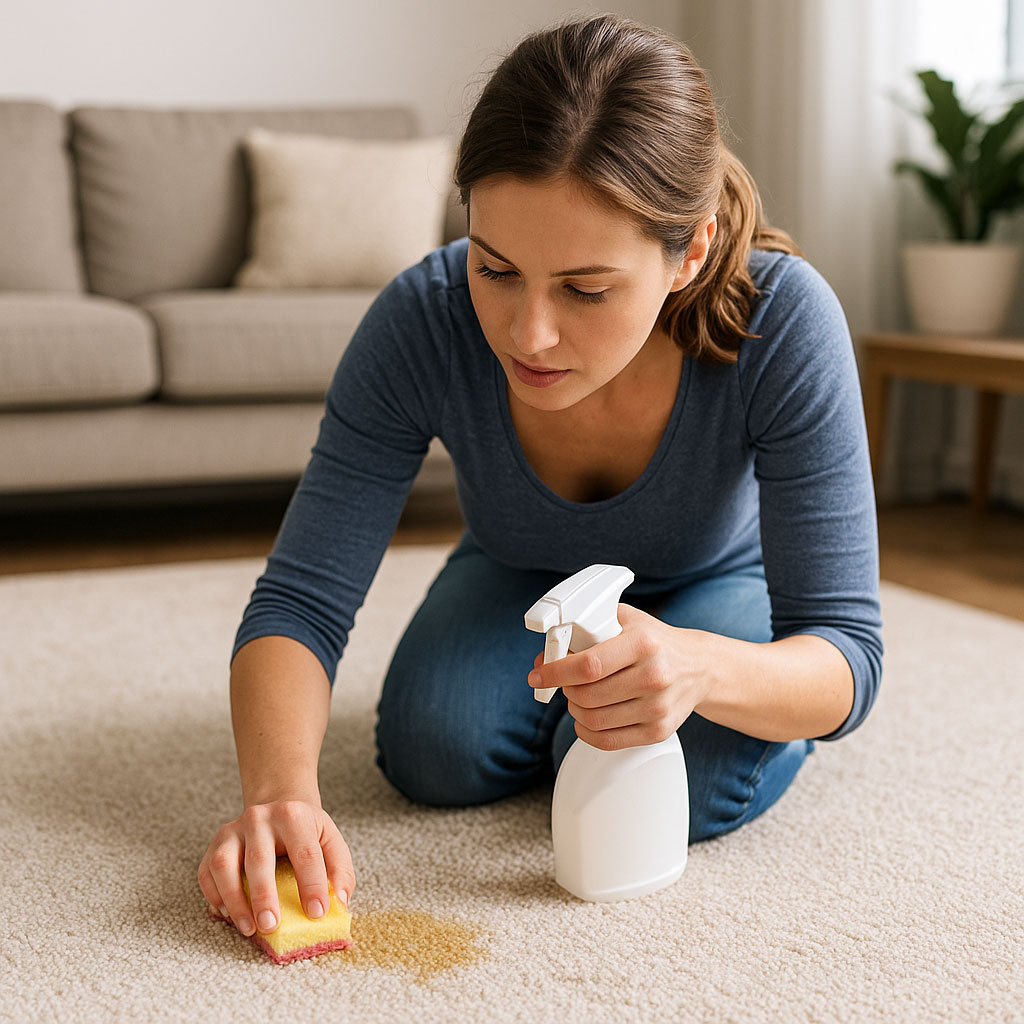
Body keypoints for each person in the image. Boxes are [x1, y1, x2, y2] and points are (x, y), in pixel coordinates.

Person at [198, 13, 883, 940]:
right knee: (432, 753)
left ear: (688, 252)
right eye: (496, 268)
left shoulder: (785, 323)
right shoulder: (422, 321)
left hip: (716, 587)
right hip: (522, 567)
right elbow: (302, 600)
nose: (528, 335)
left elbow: (846, 652)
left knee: (673, 776)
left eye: (585, 290)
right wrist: (278, 793)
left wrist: (693, 667)